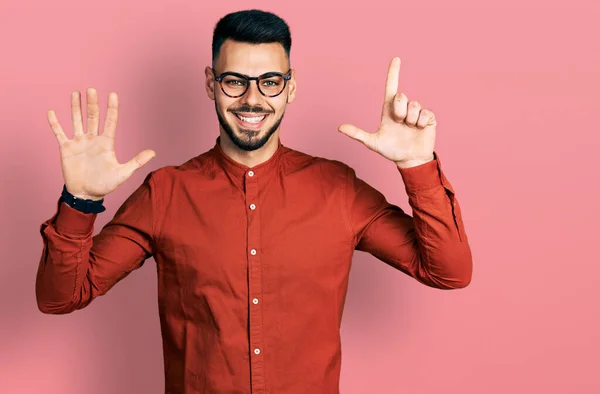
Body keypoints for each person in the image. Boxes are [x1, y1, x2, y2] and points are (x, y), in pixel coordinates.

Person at [36, 8, 472, 394]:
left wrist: (417, 163)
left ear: (291, 86)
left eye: (269, 81)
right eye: (234, 81)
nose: (252, 99)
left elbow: (449, 271)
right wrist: (81, 200)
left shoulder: (338, 189)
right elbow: (61, 297)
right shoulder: (165, 192)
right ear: (211, 84)